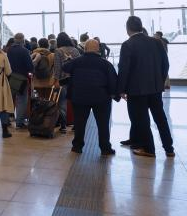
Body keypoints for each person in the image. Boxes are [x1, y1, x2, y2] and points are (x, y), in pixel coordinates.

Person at [117, 16, 173, 158]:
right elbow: (165, 64)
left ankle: (148, 149)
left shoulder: (127, 45)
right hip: (155, 88)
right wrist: (159, 81)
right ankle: (169, 148)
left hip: (136, 90)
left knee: (142, 120)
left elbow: (124, 69)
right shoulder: (156, 42)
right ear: (141, 27)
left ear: (127, 28)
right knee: (160, 118)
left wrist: (121, 89)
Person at [63, 39, 119, 155]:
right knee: (103, 124)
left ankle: (77, 147)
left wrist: (68, 59)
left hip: (79, 97)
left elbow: (65, 68)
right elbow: (113, 81)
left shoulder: (77, 62)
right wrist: (116, 95)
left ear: (85, 48)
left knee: (79, 123)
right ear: (98, 49)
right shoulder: (105, 64)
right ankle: (105, 148)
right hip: (101, 98)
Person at [53, 33, 82, 134]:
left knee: (62, 103)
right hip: (75, 80)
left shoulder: (58, 51)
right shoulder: (75, 50)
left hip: (63, 80)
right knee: (75, 102)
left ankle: (63, 125)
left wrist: (56, 81)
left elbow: (57, 67)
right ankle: (76, 124)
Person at [7, 33, 34, 129]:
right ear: (23, 40)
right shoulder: (25, 51)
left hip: (10, 78)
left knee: (10, 99)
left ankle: (7, 120)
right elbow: (30, 66)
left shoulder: (9, 50)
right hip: (22, 78)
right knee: (22, 100)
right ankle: (19, 122)